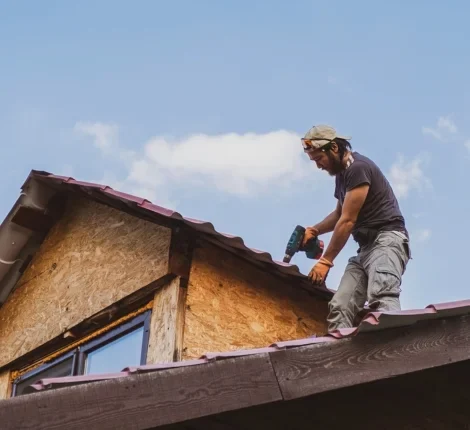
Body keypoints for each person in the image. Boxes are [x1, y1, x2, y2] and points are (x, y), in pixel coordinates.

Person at [300, 124, 411, 331]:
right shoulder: (343, 175)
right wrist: (314, 230)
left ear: (333, 148)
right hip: (366, 249)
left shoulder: (357, 168)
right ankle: (342, 358)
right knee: (340, 306)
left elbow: (347, 221)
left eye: (319, 159)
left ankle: (394, 354)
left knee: (382, 296)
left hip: (386, 241)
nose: (318, 166)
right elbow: (338, 214)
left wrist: (326, 261)